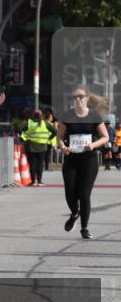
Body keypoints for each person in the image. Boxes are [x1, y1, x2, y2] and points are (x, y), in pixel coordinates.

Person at [56, 86, 110, 239]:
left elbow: (105, 137)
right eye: (75, 97)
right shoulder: (67, 115)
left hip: (89, 161)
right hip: (71, 159)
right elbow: (59, 137)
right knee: (70, 194)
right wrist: (63, 147)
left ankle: (84, 228)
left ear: (87, 98)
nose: (77, 100)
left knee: (84, 194)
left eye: (80, 97)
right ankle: (74, 213)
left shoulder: (94, 116)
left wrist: (93, 145)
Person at [20, 109, 54, 186]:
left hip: (31, 146)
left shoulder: (29, 123)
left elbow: (21, 129)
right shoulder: (44, 123)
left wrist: (24, 138)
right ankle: (39, 181)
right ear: (41, 115)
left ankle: (33, 181)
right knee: (40, 164)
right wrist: (48, 138)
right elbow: (54, 131)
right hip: (42, 146)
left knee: (32, 164)